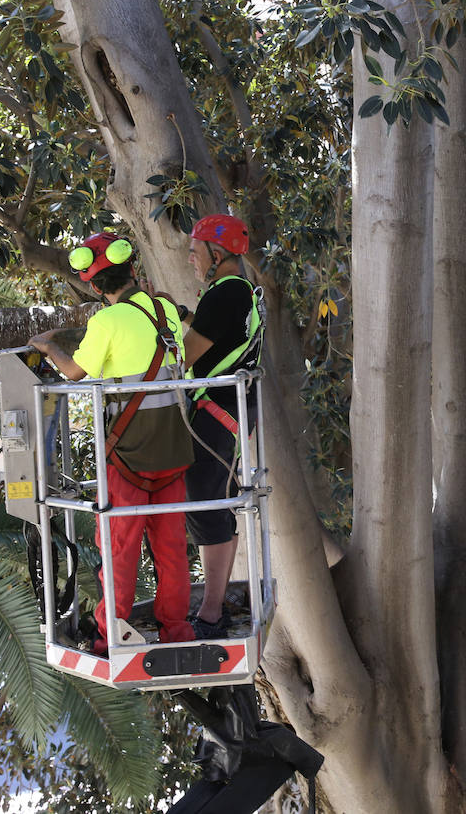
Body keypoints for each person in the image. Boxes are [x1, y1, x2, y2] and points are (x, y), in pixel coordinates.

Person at [30, 231, 195, 651]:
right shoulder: (165, 310)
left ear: (92, 285)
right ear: (132, 270)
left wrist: (48, 347)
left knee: (120, 550)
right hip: (175, 451)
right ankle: (176, 628)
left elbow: (74, 372)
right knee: (172, 549)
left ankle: (112, 635)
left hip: (128, 458)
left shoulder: (104, 321)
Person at [179, 214, 264, 638]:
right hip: (232, 412)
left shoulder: (224, 295)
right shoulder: (241, 292)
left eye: (195, 253)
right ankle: (214, 609)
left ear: (216, 254)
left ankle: (210, 614)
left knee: (204, 505)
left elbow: (186, 357)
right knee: (216, 506)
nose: (190, 261)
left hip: (217, 413)